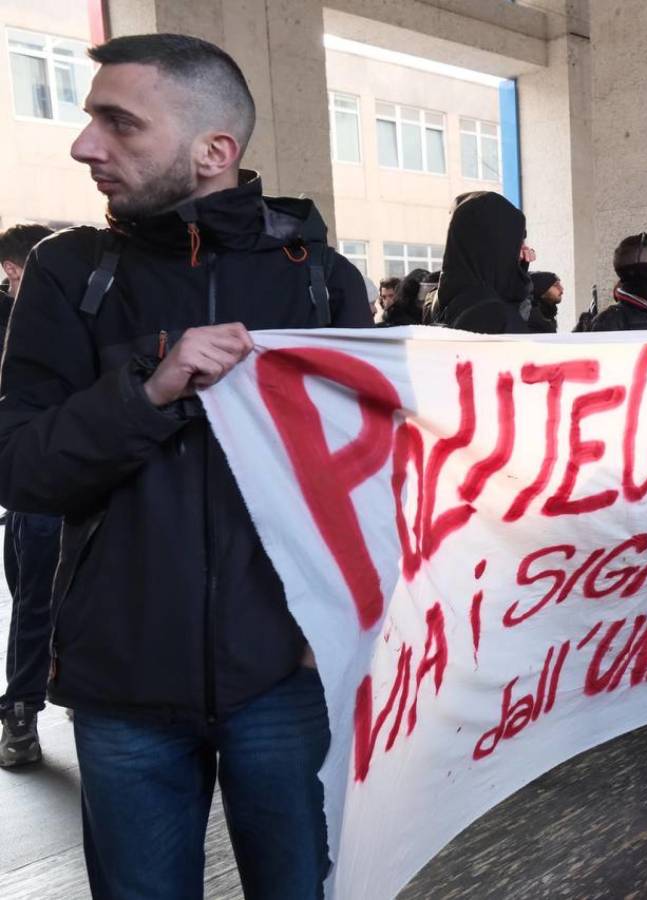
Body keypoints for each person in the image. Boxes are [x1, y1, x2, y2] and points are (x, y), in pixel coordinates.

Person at [0, 34, 371, 897]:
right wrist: (150, 389)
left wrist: (342, 633)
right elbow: (20, 469)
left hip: (288, 675)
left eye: (118, 123)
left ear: (215, 151)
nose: (85, 145)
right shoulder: (68, 274)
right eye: (91, 120)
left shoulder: (321, 280)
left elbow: (376, 480)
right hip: (120, 683)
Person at [0, 222, 60, 769]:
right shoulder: (8, 318)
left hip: (62, 486)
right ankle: (22, 708)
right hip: (31, 485)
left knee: (38, 600)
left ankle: (22, 711)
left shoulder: (75, 315)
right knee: (30, 595)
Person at [430, 192, 550, 334]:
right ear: (495, 243)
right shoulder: (488, 312)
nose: (522, 248)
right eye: (516, 239)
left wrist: (518, 273)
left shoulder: (446, 294)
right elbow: (531, 341)